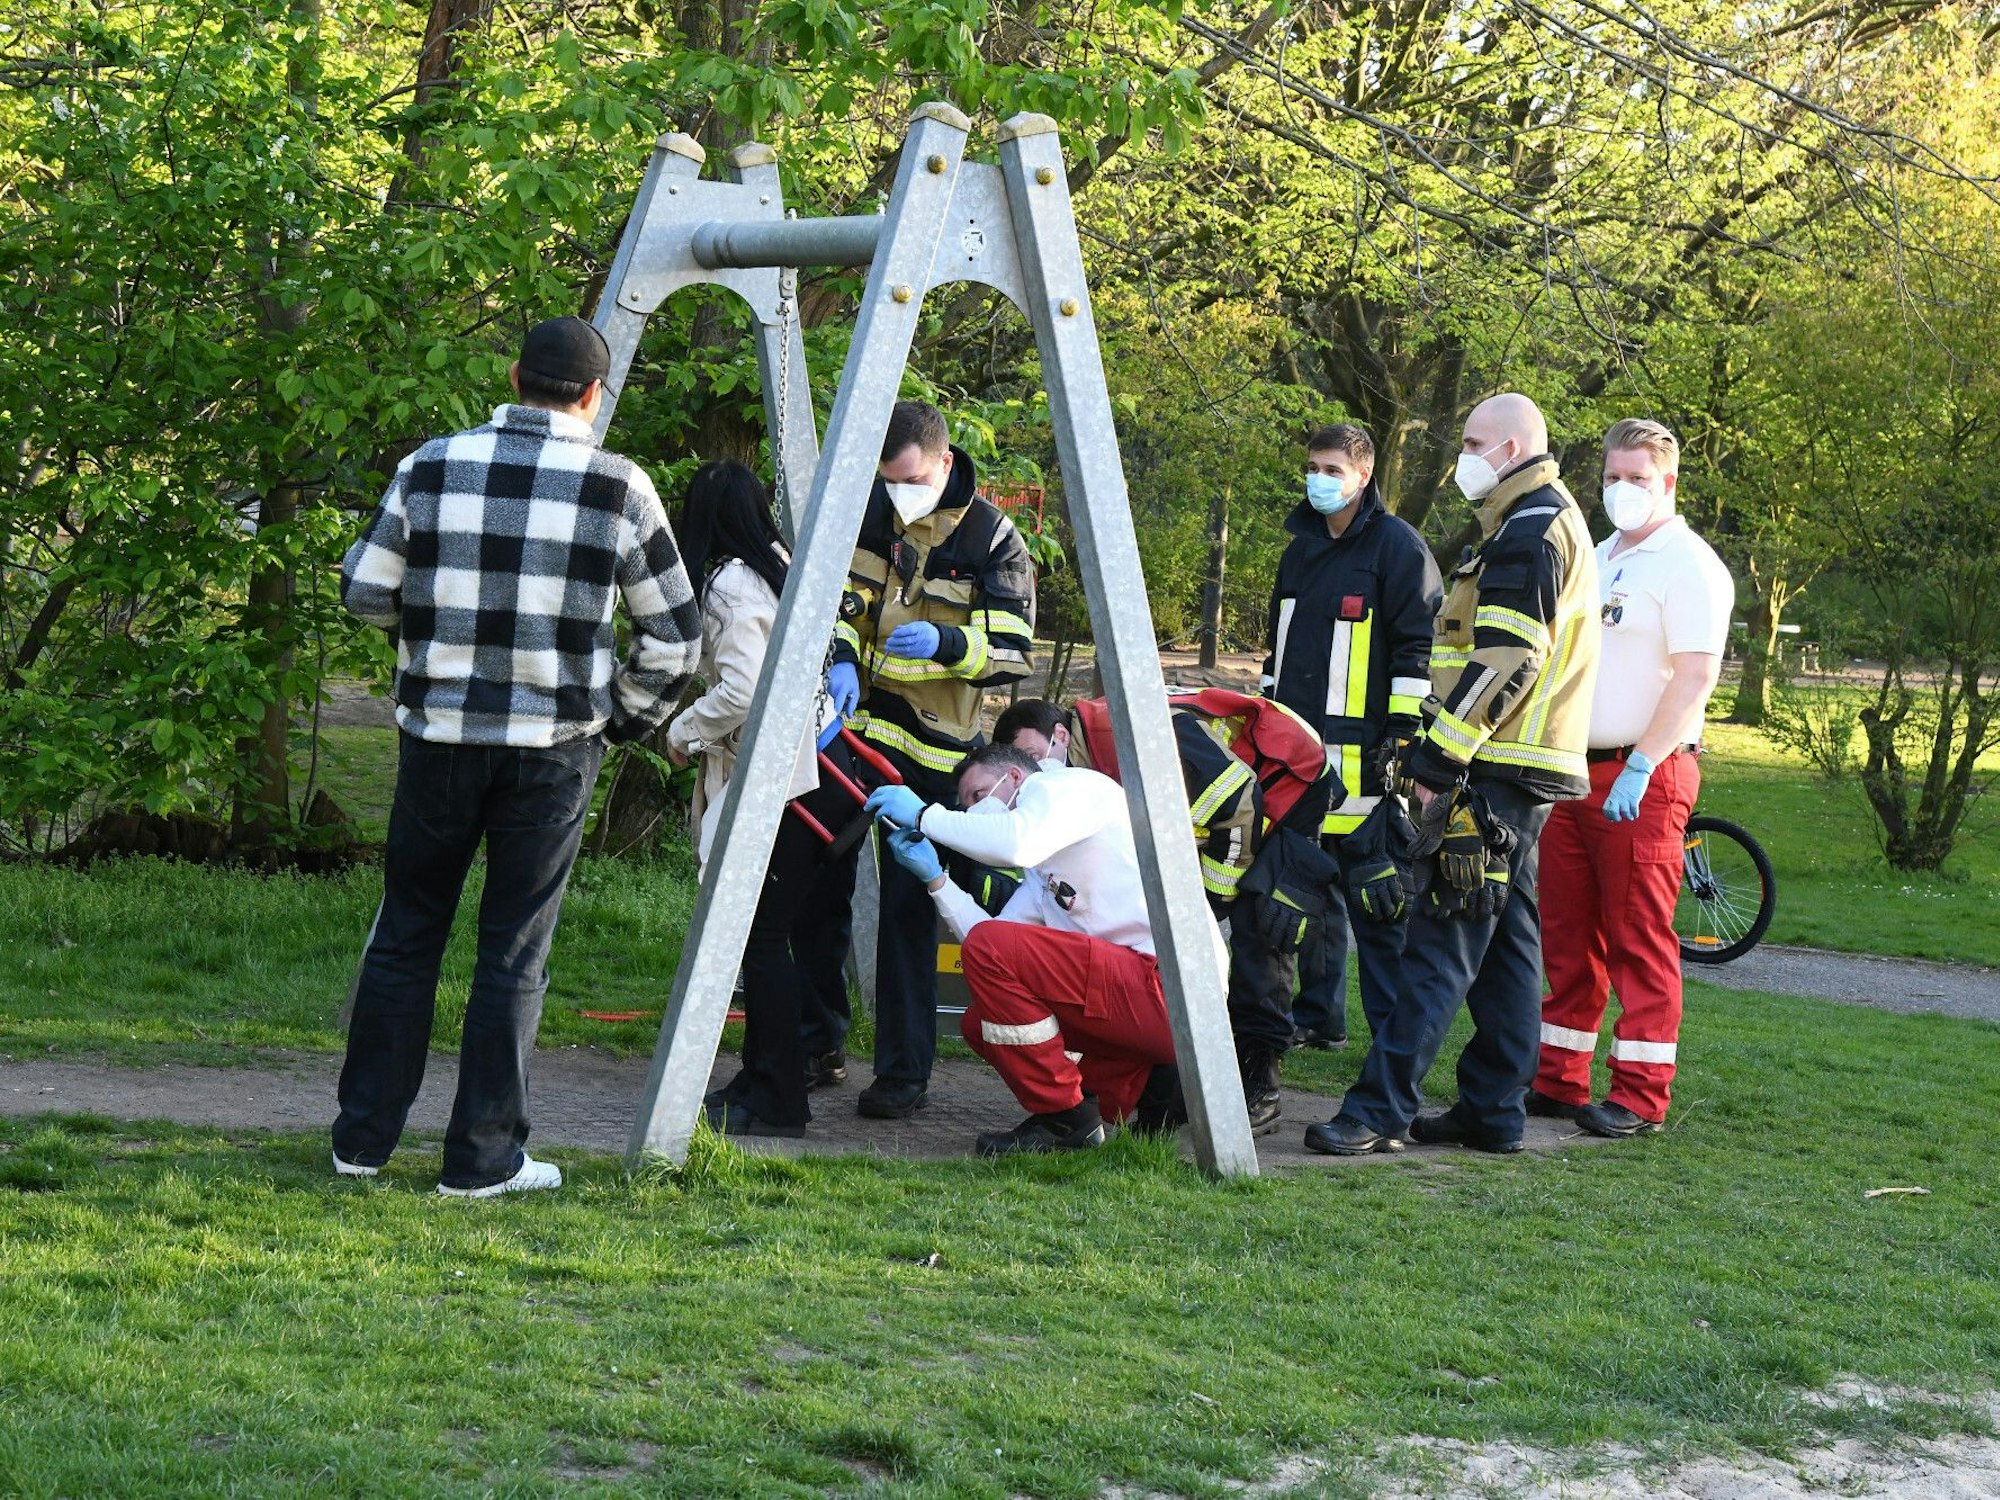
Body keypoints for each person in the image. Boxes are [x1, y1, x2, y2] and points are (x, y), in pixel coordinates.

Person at [332, 316, 700, 1195]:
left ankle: (362, 1143)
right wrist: (620, 721)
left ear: (513, 375)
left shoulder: (430, 464)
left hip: (438, 739)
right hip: (552, 750)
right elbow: (677, 639)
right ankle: (483, 1160)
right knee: (512, 955)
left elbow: (362, 591)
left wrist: (430, 632)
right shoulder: (618, 486)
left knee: (405, 936)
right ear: (592, 394)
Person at [1306, 392, 1600, 1156]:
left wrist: (1440, 757)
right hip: (1524, 766)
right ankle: (1494, 1109)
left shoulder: (1530, 528)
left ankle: (1379, 1109)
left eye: (1472, 441)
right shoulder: (1536, 518)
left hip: (1497, 765)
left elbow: (1508, 657)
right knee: (1508, 943)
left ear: (1510, 448)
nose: (1460, 453)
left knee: (1443, 938)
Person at [815, 401, 1038, 1120]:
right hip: (856, 737)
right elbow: (840, 606)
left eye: (908, 479)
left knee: (917, 908)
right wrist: (844, 657)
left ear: (944, 461)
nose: (896, 494)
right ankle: (819, 1044)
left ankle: (904, 1073)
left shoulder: (992, 537)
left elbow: (1013, 648)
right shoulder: (871, 513)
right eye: (888, 481)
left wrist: (948, 647)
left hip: (941, 755)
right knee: (818, 888)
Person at [993, 692, 1336, 1135]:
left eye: (1036, 757)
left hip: (1285, 785)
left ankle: (1259, 1088)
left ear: (1060, 734)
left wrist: (1210, 905)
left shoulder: (1129, 734)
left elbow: (1236, 797)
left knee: (1261, 934)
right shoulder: (1087, 756)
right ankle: (1178, 1085)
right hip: (1231, 811)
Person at [1532, 419, 1733, 1138]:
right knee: (1567, 935)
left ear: (1669, 483)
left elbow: (1696, 676)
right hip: (1573, 773)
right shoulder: (1603, 553)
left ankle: (1641, 1093)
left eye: (1637, 479)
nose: (1621, 490)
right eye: (1612, 477)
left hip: (1642, 774)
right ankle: (1558, 1078)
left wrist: (1645, 763)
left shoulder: (1690, 564)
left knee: (1638, 937)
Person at [863, 746, 1191, 1156]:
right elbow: (991, 937)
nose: (973, 812)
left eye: (979, 795)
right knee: (980, 1021)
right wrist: (936, 881)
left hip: (1172, 984)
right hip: (1142, 996)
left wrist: (925, 816)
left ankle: (1068, 1119)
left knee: (992, 956)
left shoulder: (1065, 786)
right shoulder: (1042, 873)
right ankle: (1116, 1096)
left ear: (1015, 777)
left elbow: (1017, 844)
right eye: (965, 807)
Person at [664, 461, 854, 1138]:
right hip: (818, 775)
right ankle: (762, 1077)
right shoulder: (780, 569)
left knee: (763, 939)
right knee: (770, 938)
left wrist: (683, 729)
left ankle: (777, 1098)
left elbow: (743, 690)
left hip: (783, 784)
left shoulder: (729, 587)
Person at [1260, 424, 1442, 1063]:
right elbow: (1275, 651)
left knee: (1377, 902)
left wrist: (1402, 737)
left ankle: (1392, 1045)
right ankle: (1319, 1018)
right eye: (1312, 466)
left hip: (1368, 763)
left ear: (1364, 475)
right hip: (1299, 759)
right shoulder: (1299, 550)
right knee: (1308, 891)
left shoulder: (1397, 549)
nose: (1319, 479)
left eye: (1332, 468)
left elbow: (1419, 652)